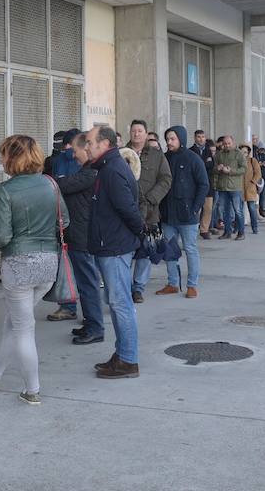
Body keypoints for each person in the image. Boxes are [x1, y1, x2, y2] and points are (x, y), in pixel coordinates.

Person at [0, 135, 67, 405]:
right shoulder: (50, 184)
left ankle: (32, 390)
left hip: (19, 265)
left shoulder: (6, 190)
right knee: (15, 322)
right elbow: (65, 220)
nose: (0, 160)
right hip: (48, 264)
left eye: (3, 155)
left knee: (23, 328)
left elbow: (1, 237)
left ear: (13, 158)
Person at [86, 125, 144, 379]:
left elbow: (129, 209)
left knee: (121, 304)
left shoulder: (112, 170)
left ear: (104, 144)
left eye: (90, 142)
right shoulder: (107, 168)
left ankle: (129, 360)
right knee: (117, 302)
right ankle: (121, 354)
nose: (87, 146)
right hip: (110, 245)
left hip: (115, 247)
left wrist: (138, 232)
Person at [55, 133, 104, 345]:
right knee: (85, 283)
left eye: (75, 151)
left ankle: (95, 327)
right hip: (79, 235)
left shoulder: (91, 172)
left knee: (88, 283)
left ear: (86, 149)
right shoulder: (86, 171)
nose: (73, 156)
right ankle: (90, 323)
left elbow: (63, 185)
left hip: (83, 237)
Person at [156, 125, 209, 298]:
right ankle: (172, 283)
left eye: (173, 139)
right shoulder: (163, 159)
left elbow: (204, 184)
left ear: (181, 139)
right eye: (168, 139)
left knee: (190, 249)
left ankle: (192, 285)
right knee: (169, 250)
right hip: (167, 214)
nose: (169, 142)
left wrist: (195, 208)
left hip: (187, 215)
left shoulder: (193, 159)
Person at [125, 119, 172, 304]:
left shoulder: (156, 155)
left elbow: (166, 179)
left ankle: (138, 288)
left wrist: (152, 198)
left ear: (146, 134)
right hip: (126, 211)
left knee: (145, 252)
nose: (136, 134)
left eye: (140, 131)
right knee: (125, 252)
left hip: (150, 212)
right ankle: (125, 286)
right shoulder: (122, 153)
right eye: (134, 131)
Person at [46, 128, 82, 321]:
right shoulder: (59, 161)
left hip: (70, 218)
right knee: (69, 263)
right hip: (66, 218)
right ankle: (69, 305)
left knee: (74, 263)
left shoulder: (82, 161)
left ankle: (73, 305)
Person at [215, 135, 247, 239]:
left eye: (229, 143)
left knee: (237, 210)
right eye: (225, 144)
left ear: (233, 143)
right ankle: (227, 232)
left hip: (235, 187)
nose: (227, 145)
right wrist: (218, 168)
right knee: (225, 210)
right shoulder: (219, 154)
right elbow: (213, 169)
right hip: (223, 186)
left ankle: (241, 232)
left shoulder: (239, 154)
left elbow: (244, 169)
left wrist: (231, 171)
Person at [239, 144, 262, 234]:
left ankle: (254, 227)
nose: (243, 154)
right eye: (241, 152)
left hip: (250, 188)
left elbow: (258, 173)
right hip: (239, 188)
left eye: (245, 152)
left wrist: (253, 182)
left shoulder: (253, 161)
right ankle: (238, 228)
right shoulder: (237, 161)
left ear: (248, 153)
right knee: (238, 210)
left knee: (252, 209)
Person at [199, 139, 216, 238]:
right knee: (197, 209)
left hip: (208, 184)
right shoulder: (192, 150)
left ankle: (204, 230)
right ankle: (194, 226)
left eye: (203, 136)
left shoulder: (208, 151)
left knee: (208, 208)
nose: (201, 139)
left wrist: (204, 164)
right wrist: (205, 164)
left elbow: (211, 165)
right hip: (196, 185)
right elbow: (198, 166)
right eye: (198, 136)